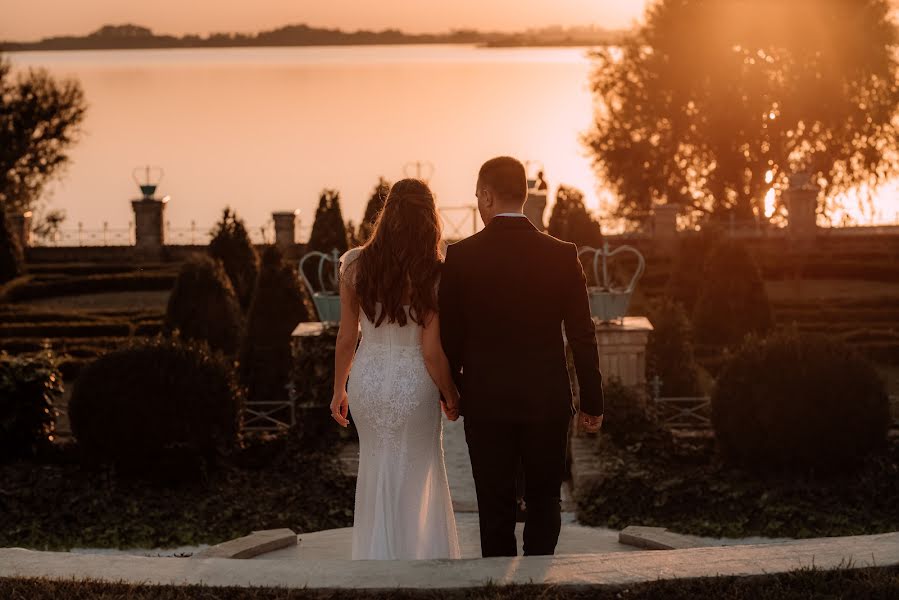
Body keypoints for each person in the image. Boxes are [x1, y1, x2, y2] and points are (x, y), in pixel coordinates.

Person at [439, 156, 604, 557]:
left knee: (493, 507)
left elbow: (450, 338)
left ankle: (498, 584)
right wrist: (592, 402)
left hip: (486, 403)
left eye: (479, 195)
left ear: (488, 195)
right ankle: (536, 581)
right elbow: (583, 334)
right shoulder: (562, 255)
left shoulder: (461, 257)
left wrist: (455, 395)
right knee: (546, 501)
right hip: (547, 401)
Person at [330, 178, 461, 560]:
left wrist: (339, 389)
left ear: (387, 216)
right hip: (414, 383)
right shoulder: (434, 274)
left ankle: (376, 559)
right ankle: (418, 561)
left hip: (367, 383)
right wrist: (451, 394)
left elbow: (345, 337)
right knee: (417, 474)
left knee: (375, 470)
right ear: (429, 220)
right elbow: (432, 351)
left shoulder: (355, 264)